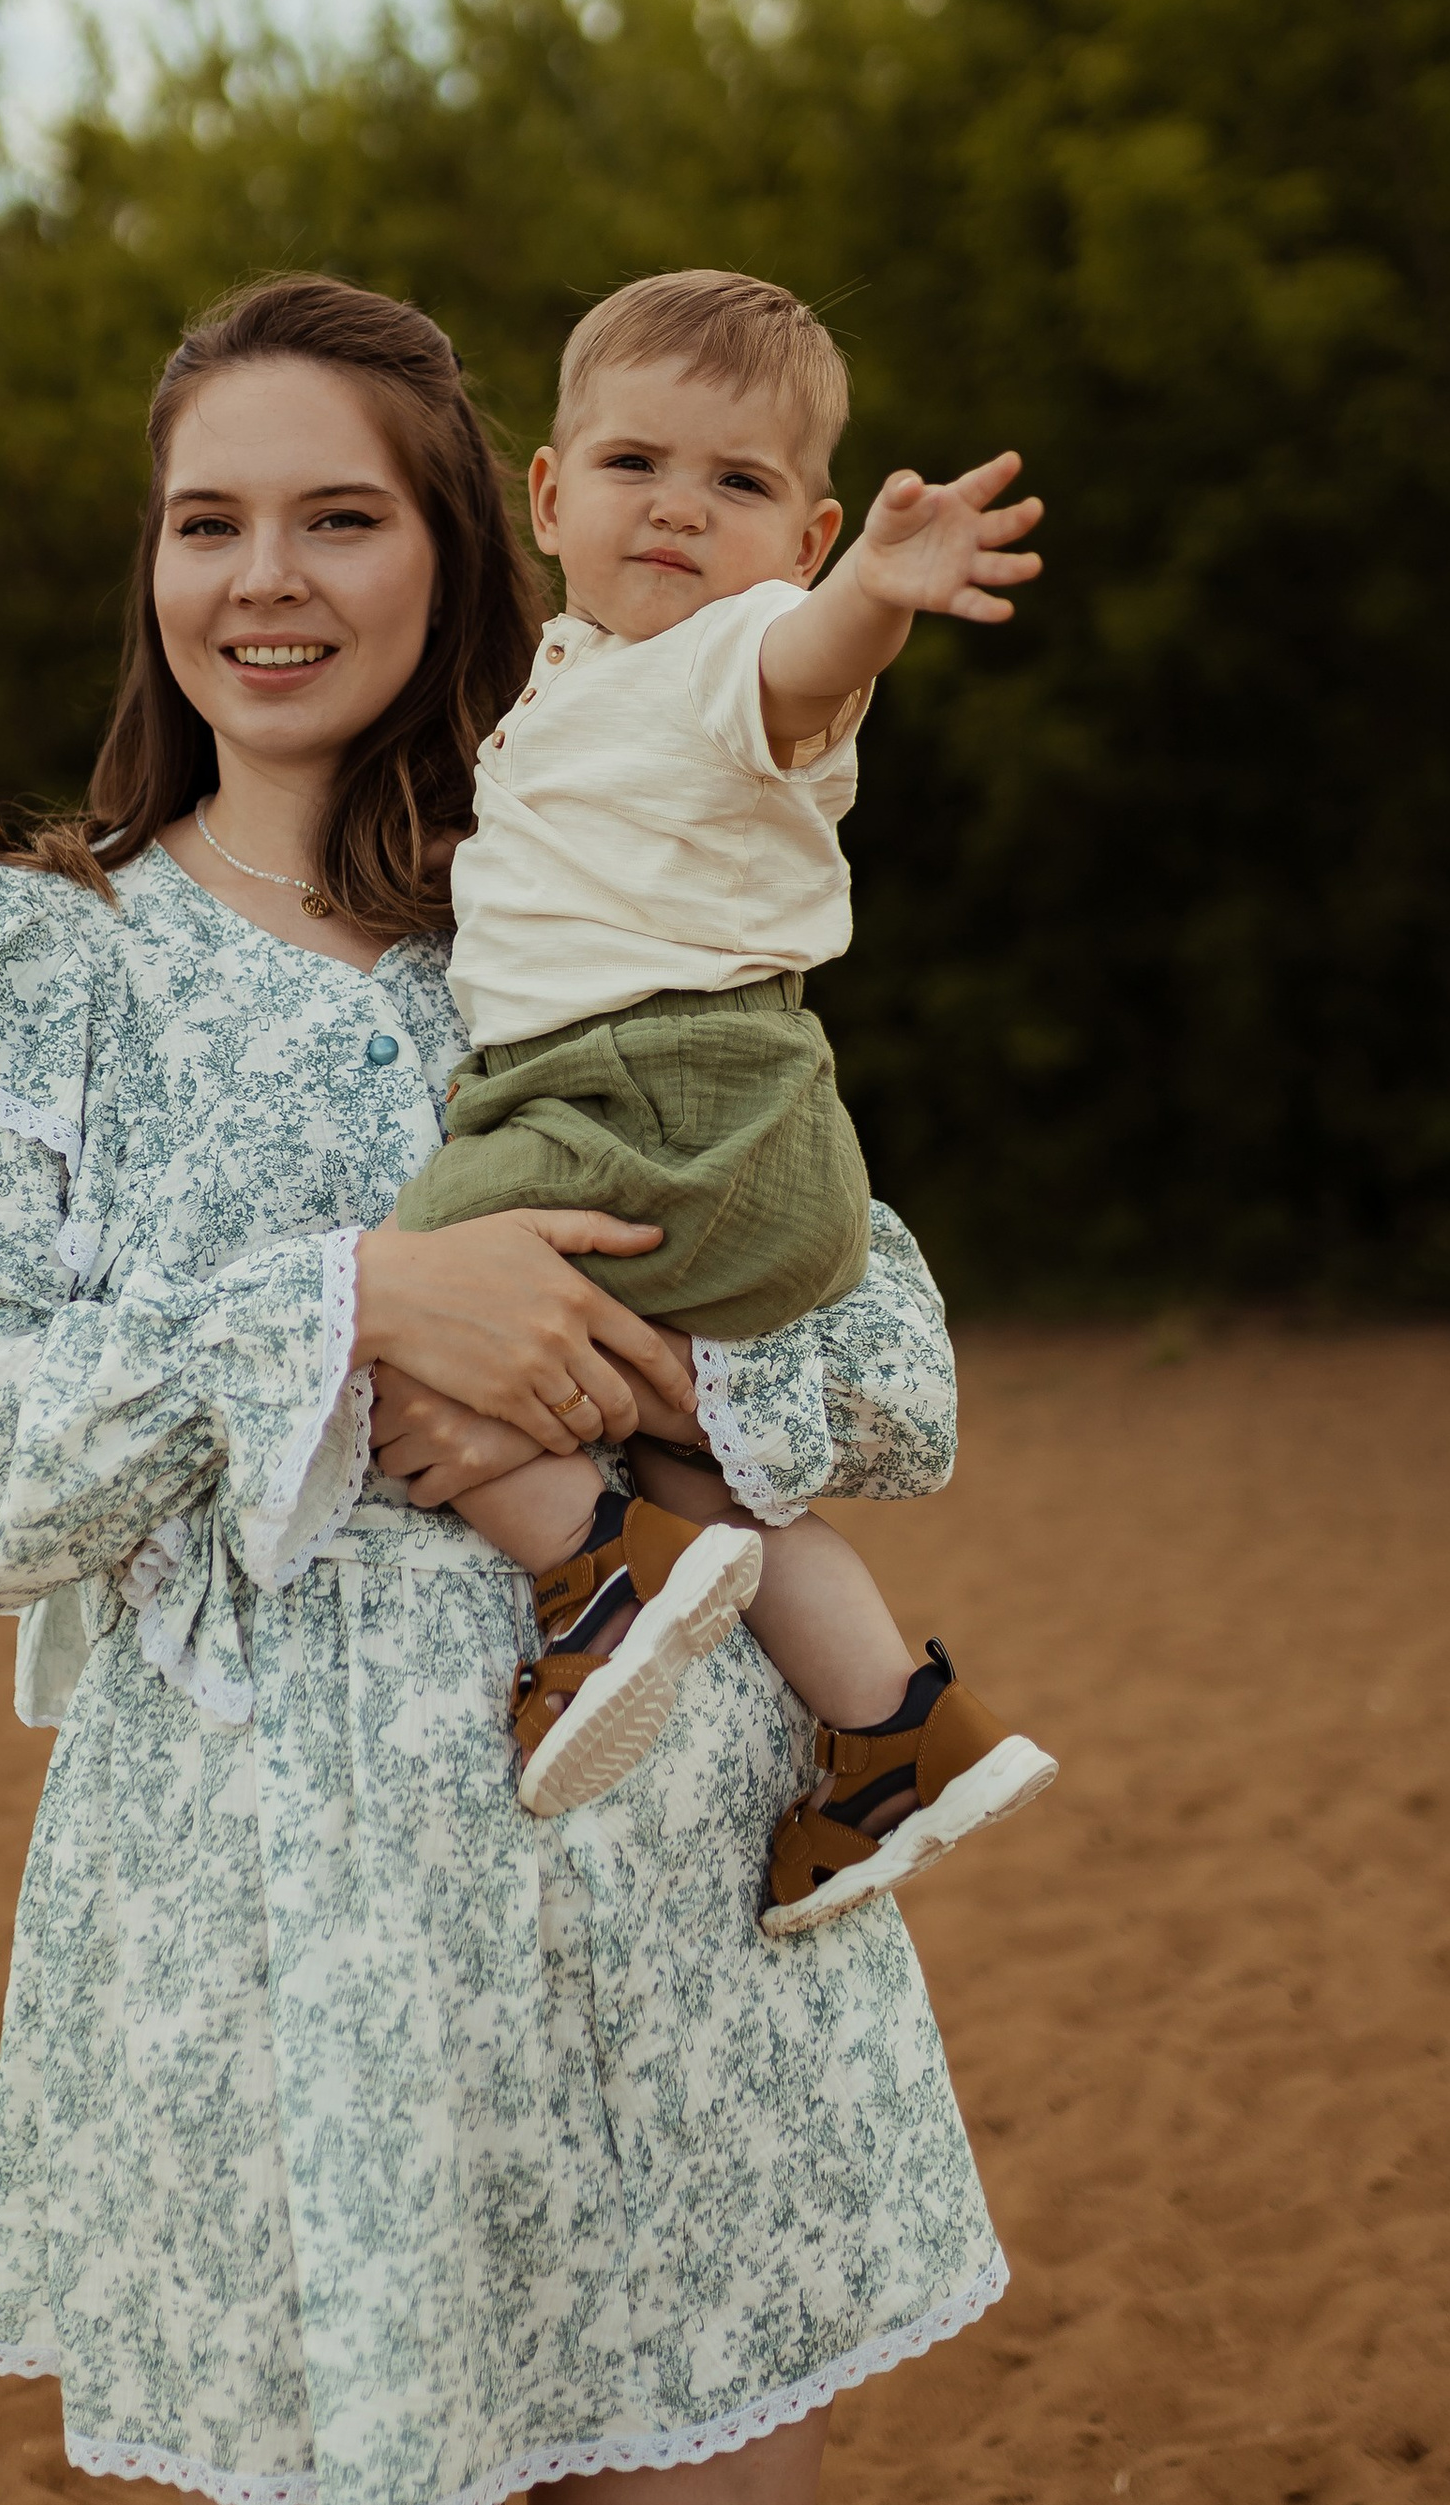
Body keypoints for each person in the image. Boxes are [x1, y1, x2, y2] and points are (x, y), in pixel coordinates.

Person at [0, 272, 1005, 2505]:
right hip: (296, 1982)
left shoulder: (595, 880)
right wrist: (357, 1301)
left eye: (340, 514)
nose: (269, 574)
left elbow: (894, 1356)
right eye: (208, 517)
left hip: (688, 1949)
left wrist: (617, 1351)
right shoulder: (37, 966)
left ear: (462, 545)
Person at [393, 268, 1058, 1932]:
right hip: (733, 1130)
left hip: (661, 1094)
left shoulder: (735, 650)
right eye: (636, 467)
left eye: (740, 483)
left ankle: (597, 1581)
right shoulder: (574, 680)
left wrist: (874, 599)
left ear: (805, 531)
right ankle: (897, 1733)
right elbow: (585, 856)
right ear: (550, 495)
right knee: (725, 1490)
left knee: (396, 1297)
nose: (682, 509)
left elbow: (805, 665)